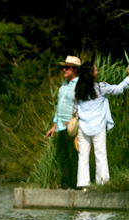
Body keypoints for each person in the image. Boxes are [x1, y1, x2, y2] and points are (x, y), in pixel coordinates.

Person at [74, 62, 129, 189]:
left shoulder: (78, 89)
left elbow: (74, 108)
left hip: (83, 127)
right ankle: (102, 184)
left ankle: (83, 185)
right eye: (95, 69)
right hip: (98, 126)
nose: (97, 70)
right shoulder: (101, 87)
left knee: (83, 157)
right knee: (100, 155)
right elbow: (118, 89)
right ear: (91, 73)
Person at [46, 56, 81, 189]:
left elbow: (81, 105)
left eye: (67, 67)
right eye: (63, 67)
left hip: (72, 127)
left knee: (73, 157)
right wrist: (54, 125)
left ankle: (74, 185)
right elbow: (59, 106)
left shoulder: (78, 84)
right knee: (63, 157)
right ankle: (65, 185)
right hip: (61, 126)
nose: (64, 70)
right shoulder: (64, 84)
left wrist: (75, 120)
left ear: (75, 69)